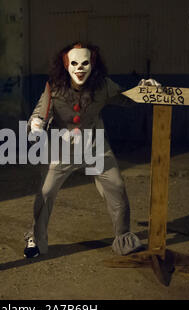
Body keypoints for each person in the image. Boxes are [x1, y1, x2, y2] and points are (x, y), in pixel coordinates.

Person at [24, 42, 160, 258]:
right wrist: (36, 124)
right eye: (74, 63)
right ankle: (35, 239)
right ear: (66, 65)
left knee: (116, 185)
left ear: (93, 64)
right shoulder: (54, 88)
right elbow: (41, 112)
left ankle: (123, 239)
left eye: (85, 63)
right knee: (46, 191)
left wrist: (145, 89)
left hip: (94, 147)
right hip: (61, 149)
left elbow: (128, 98)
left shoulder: (103, 86)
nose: (80, 68)